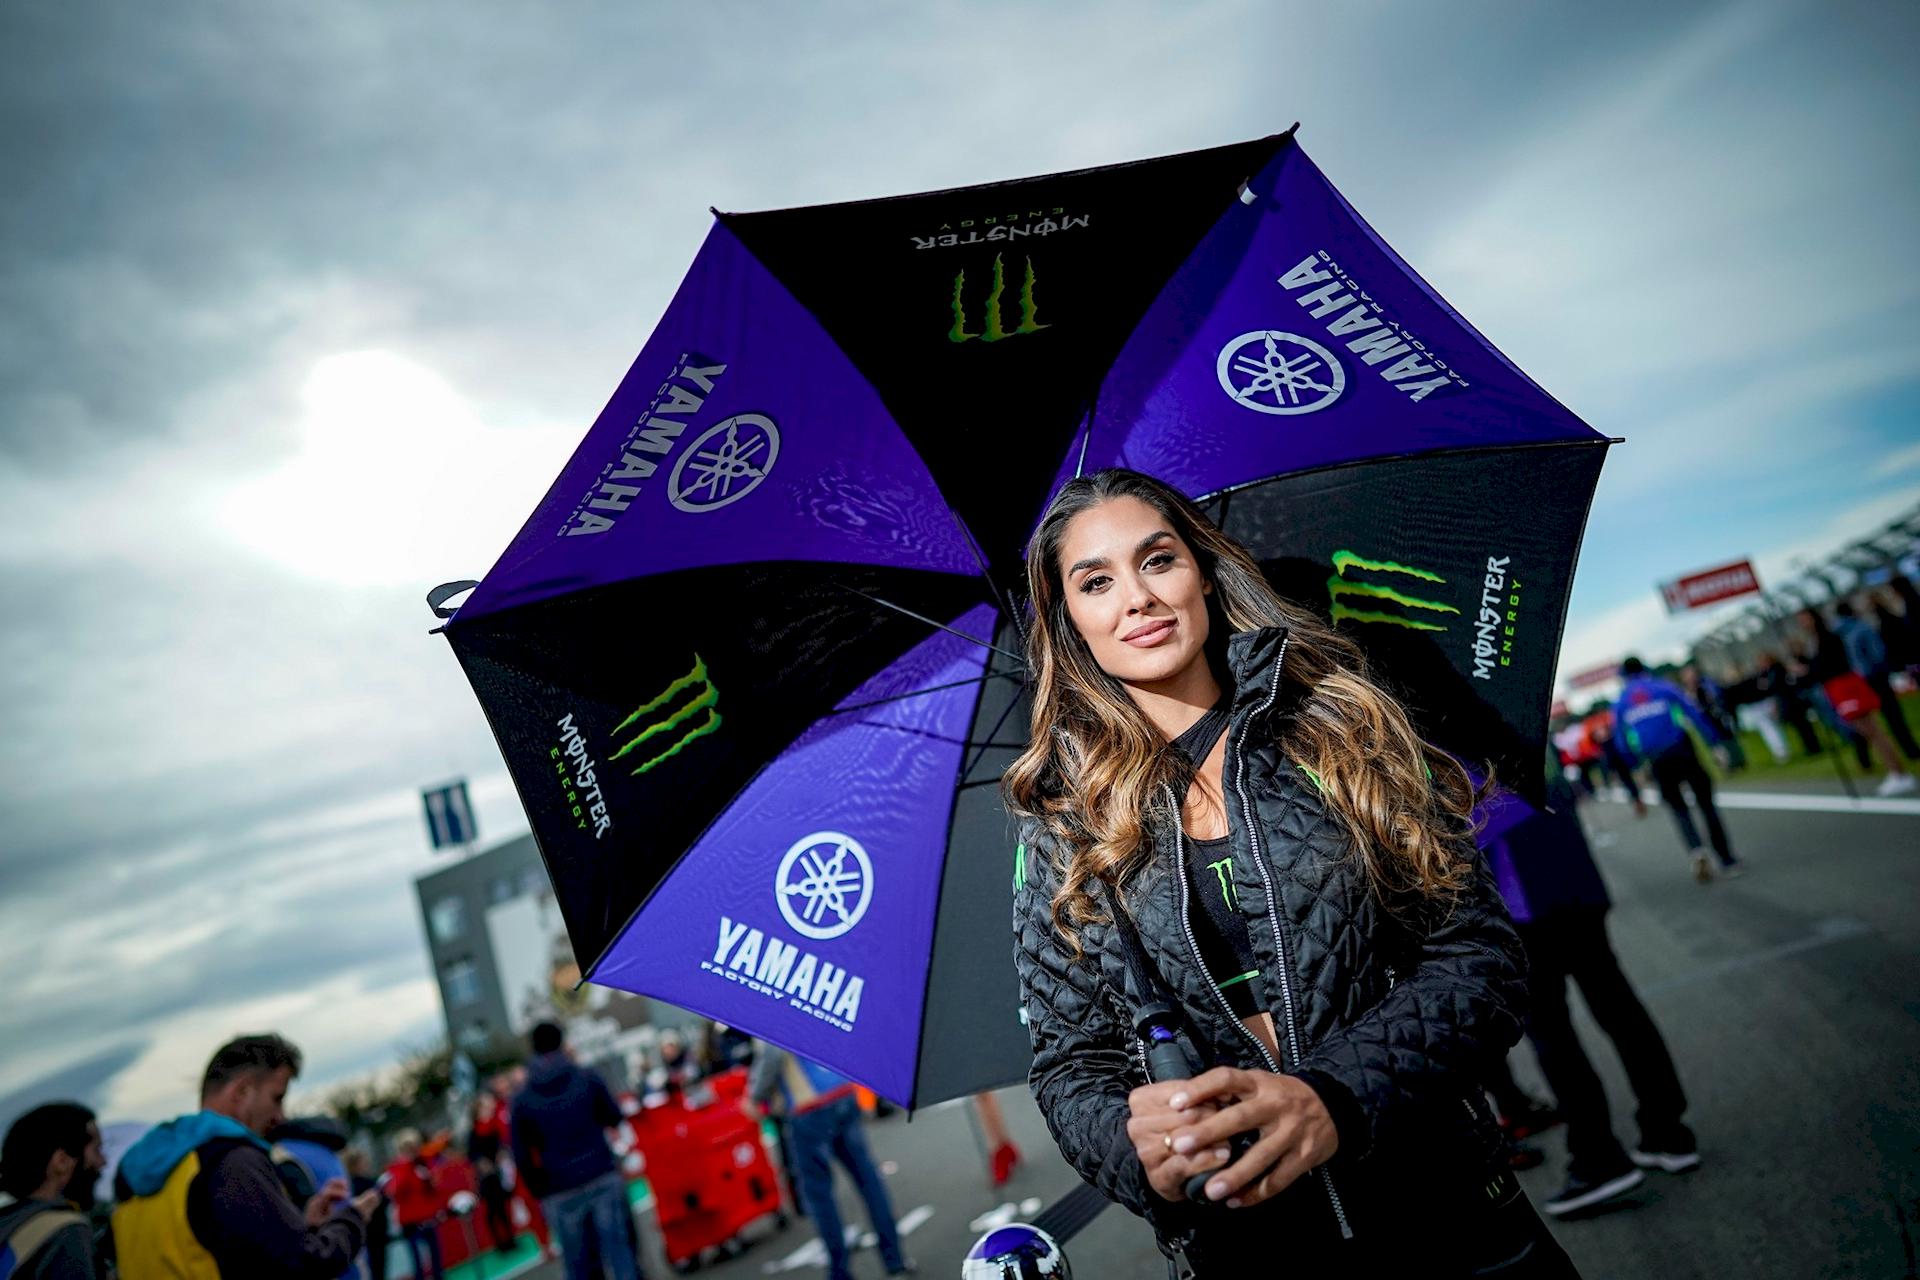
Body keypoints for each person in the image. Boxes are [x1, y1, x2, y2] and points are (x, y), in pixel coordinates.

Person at [1006, 469, 1575, 1275]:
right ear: (1071, 621)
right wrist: (1137, 1152)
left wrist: (1334, 1097)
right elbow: (1071, 1062)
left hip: (1451, 1218)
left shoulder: (1339, 726)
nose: (1136, 597)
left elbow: (1479, 957)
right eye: (1096, 581)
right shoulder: (1062, 824)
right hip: (1246, 1251)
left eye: (1157, 560)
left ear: (1201, 571)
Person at [1486, 765, 1699, 1216]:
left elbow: (1475, 826)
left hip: (1524, 905)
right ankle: (1667, 1131)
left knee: (1554, 1036)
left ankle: (1598, 1156)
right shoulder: (1525, 714)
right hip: (1576, 883)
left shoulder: (1457, 738)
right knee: (1618, 1008)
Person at [112, 1033, 376, 1278]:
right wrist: (351, 1219)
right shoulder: (231, 1161)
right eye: (277, 1097)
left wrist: (301, 1225)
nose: (280, 1116)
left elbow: (215, 1247)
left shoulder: (136, 1176)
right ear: (241, 1092)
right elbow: (307, 1263)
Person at [747, 1044, 913, 1280]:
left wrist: (755, 1096)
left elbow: (772, 1054)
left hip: (808, 1105)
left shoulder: (772, 1007)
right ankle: (895, 1262)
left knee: (820, 1196)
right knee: (868, 1180)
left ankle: (839, 1271)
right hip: (841, 1090)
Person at [509, 1022, 641, 1280]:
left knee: (578, 1264)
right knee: (619, 1253)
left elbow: (521, 1153)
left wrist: (540, 1188)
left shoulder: (523, 1097)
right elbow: (613, 1116)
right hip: (600, 1172)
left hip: (559, 1187)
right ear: (561, 1042)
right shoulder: (585, 1076)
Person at [1611, 656, 1742, 882]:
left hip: (1656, 759)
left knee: (1678, 808)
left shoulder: (1621, 701)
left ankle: (1696, 850)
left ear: (1624, 675)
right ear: (1644, 668)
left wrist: (1636, 766)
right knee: (1706, 803)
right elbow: (1694, 714)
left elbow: (1620, 740)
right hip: (1682, 749)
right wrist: (1714, 745)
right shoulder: (1663, 687)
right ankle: (1726, 859)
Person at [0, 1102, 106, 1278]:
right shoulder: (66, 1232)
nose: (102, 1162)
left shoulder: (8, 1224)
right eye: (96, 1150)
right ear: (62, 1161)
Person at [1832, 600, 1919, 789]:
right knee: (1891, 719)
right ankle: (1909, 753)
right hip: (1874, 677)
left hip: (1856, 681)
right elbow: (1878, 653)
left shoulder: (1839, 634)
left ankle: (1869, 762)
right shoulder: (1860, 628)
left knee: (1867, 727)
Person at [384, 1130, 445, 1280]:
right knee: (416, 1258)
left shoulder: (422, 1164)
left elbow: (432, 1187)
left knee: (435, 1253)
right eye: (407, 1147)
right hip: (410, 1220)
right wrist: (406, 1165)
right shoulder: (396, 1168)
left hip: (427, 1215)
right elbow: (396, 1191)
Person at [468, 1092, 517, 1255]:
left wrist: (502, 1153)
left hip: (500, 1172)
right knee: (492, 1210)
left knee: (503, 1208)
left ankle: (511, 1239)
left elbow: (503, 1143)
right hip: (487, 1177)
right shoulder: (474, 1131)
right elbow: (472, 1154)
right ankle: (499, 1243)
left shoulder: (495, 1125)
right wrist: (482, 1163)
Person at [344, 1149, 392, 1280]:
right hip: (374, 1233)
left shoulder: (349, 1185)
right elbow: (383, 1201)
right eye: (363, 1161)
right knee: (377, 1269)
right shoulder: (366, 1184)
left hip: (365, 1234)